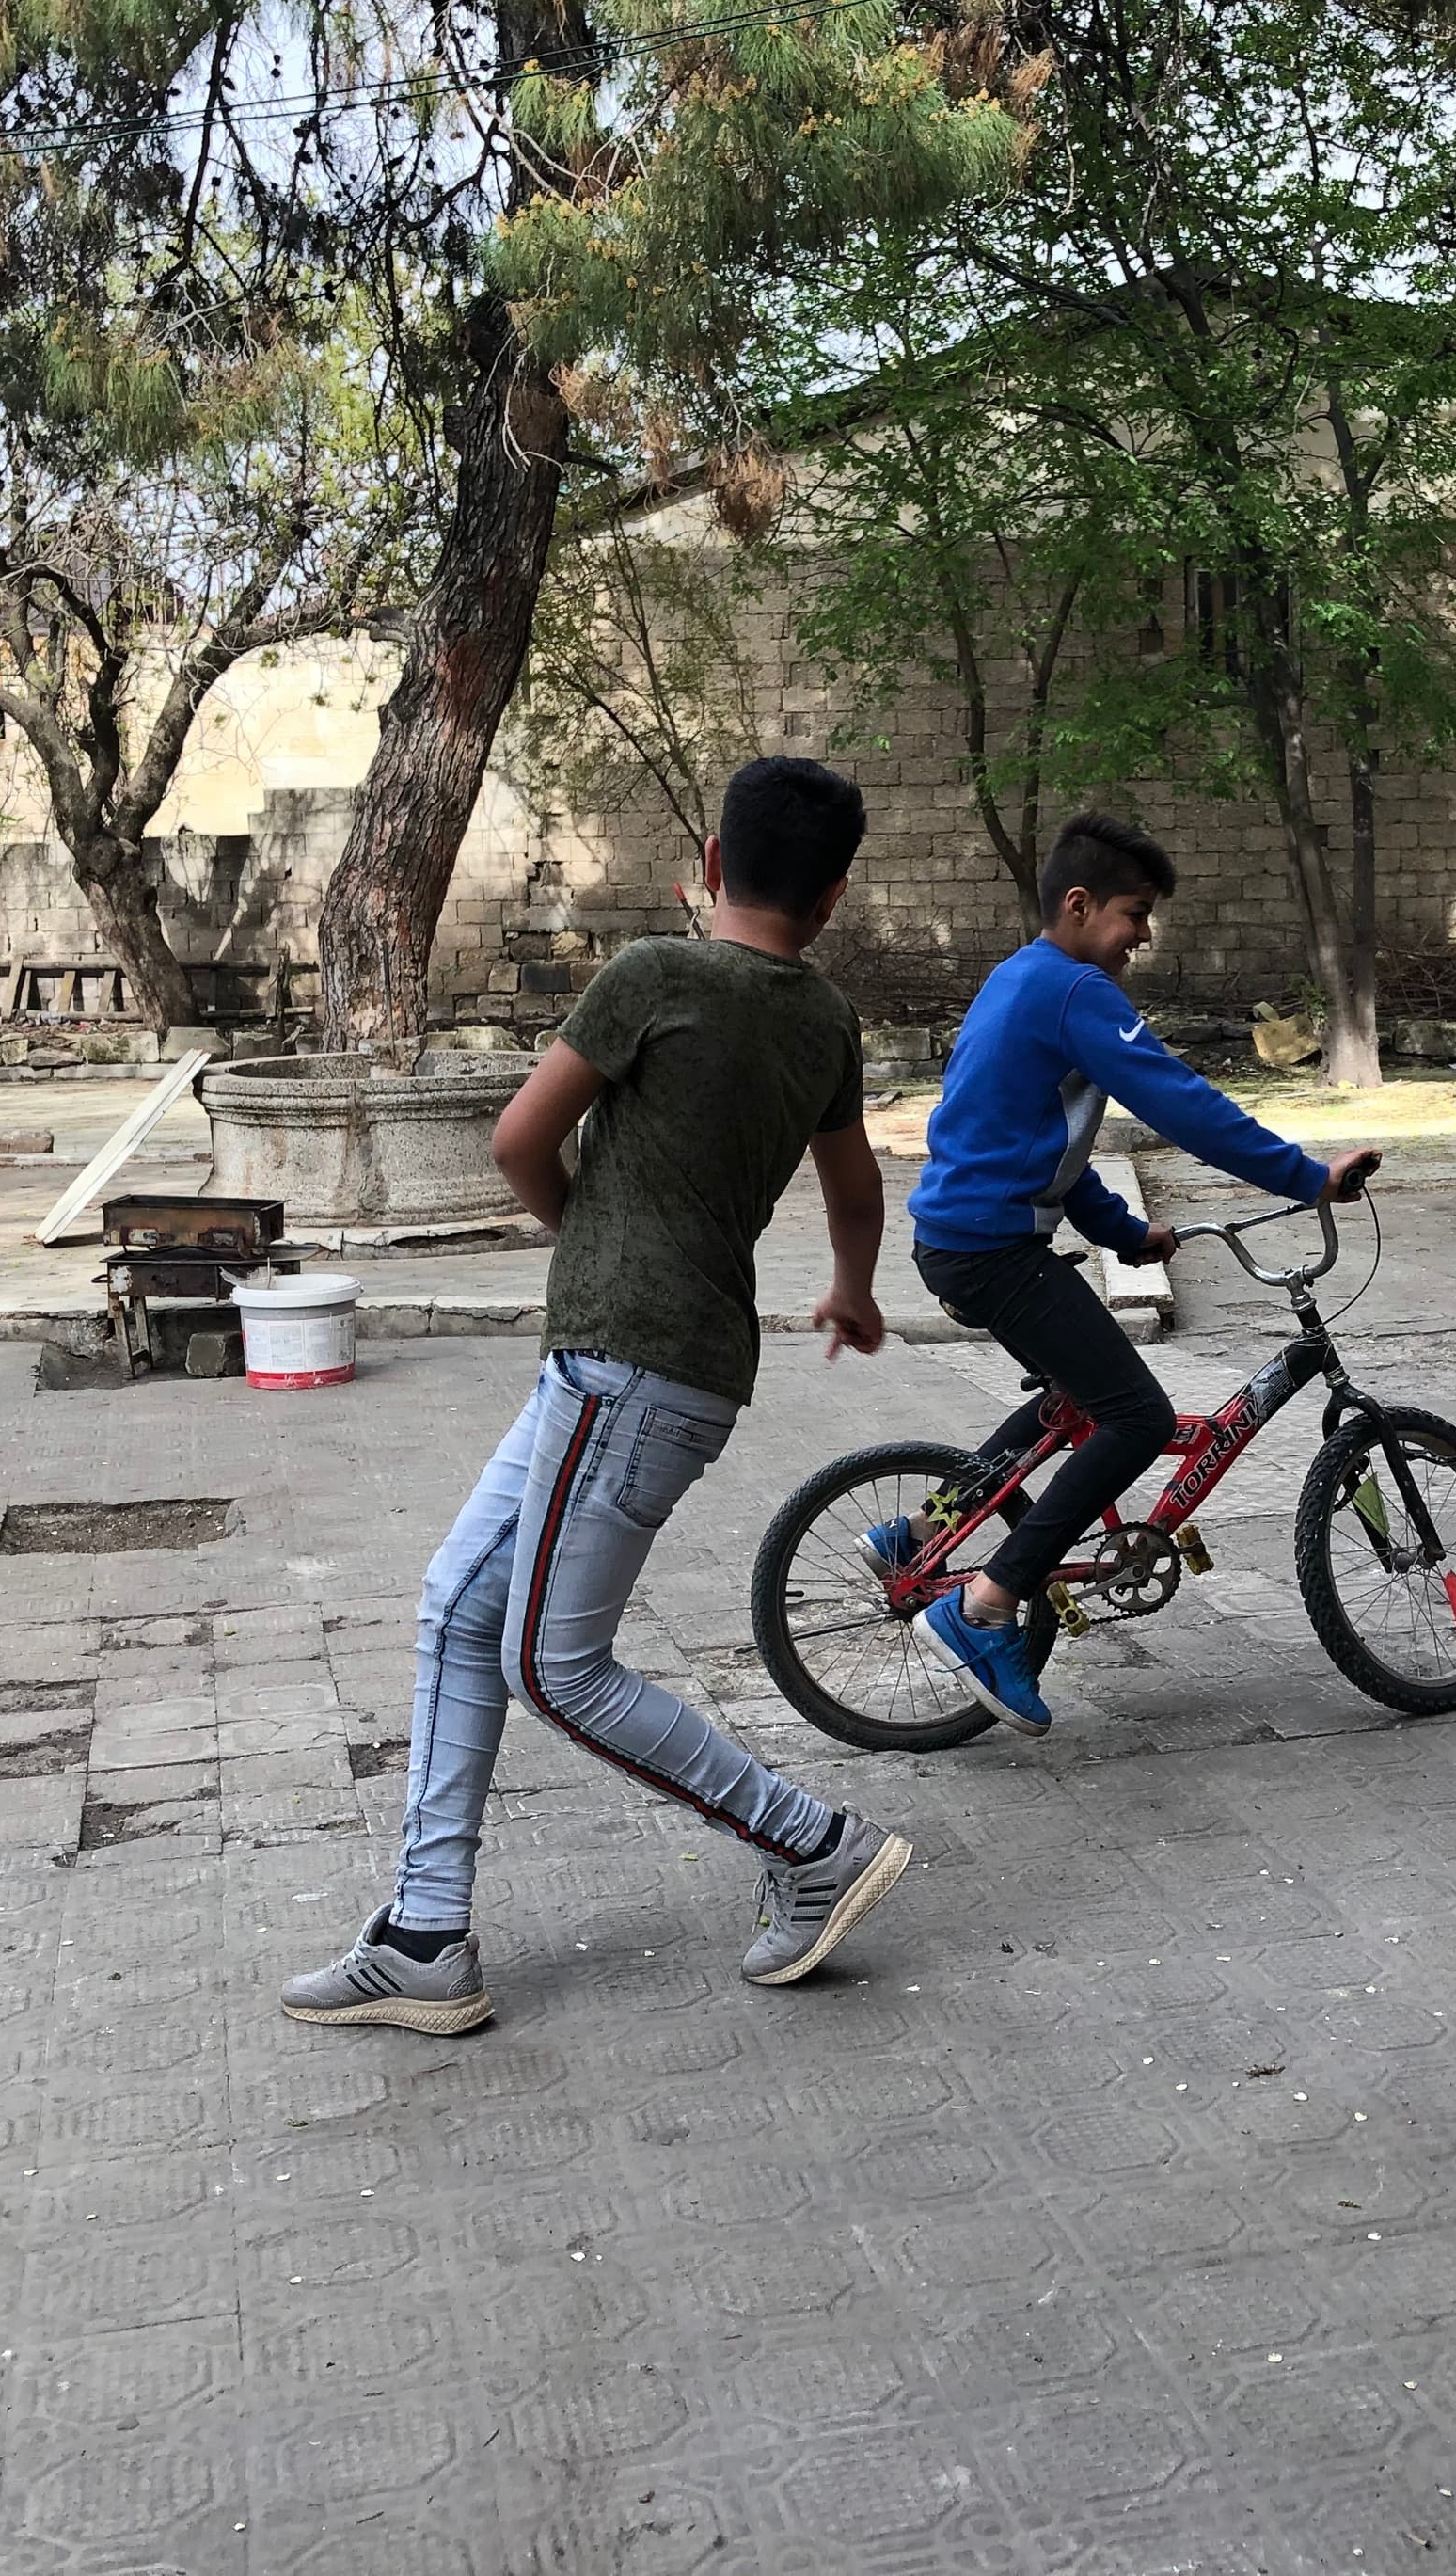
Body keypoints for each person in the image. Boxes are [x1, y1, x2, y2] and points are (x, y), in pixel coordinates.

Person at [281, 755, 910, 2033]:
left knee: (553, 1667)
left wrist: (591, 1246)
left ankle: (812, 1845)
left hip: (622, 1368)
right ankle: (425, 1936)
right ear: (834, 898)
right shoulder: (824, 1020)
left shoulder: (655, 974)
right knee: (458, 1609)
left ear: (712, 867)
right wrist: (851, 1289)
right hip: (666, 1372)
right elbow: (855, 1188)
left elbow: (518, 1140)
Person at [897, 808, 1377, 1735]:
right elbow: (1183, 1104)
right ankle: (986, 1607)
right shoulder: (1077, 991)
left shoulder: (1019, 977)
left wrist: (1124, 1233)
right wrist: (1307, 1177)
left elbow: (1044, 1141)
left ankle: (920, 1531)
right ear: (1078, 905)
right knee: (1139, 1418)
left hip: (961, 1239)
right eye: (1136, 913)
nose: (1144, 935)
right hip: (993, 1250)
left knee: (1073, 1401)